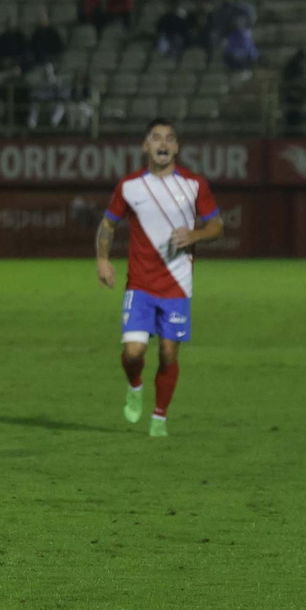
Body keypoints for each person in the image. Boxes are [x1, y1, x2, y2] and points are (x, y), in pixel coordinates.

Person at [94, 118, 225, 437]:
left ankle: (159, 415)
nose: (162, 143)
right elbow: (109, 224)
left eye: (169, 138)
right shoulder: (129, 186)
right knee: (133, 353)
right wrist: (102, 259)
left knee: (168, 353)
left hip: (177, 287)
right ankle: (135, 384)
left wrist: (195, 235)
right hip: (139, 285)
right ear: (145, 146)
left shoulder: (194, 185)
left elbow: (217, 225)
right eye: (155, 137)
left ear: (176, 147)